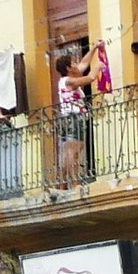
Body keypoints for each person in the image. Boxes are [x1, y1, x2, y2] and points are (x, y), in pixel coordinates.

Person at [54, 52, 94, 183]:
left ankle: (63, 185)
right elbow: (89, 78)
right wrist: (98, 66)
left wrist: (94, 48)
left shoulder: (63, 81)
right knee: (74, 151)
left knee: (66, 152)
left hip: (66, 118)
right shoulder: (69, 81)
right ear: (68, 68)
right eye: (73, 63)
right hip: (75, 117)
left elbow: (83, 64)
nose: (77, 64)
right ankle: (75, 183)